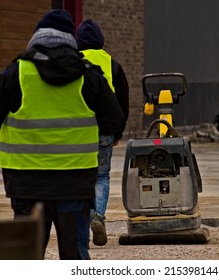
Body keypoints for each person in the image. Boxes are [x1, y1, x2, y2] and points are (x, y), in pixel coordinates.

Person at [0, 10, 125, 260]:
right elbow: (114, 120)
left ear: (36, 38)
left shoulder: (17, 73)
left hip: (26, 184)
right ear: (71, 40)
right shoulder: (87, 75)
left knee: (28, 255)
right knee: (74, 256)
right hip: (75, 183)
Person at [76, 19, 129, 246]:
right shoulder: (112, 64)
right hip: (104, 130)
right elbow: (123, 101)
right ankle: (98, 216)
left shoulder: (73, 63)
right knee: (101, 176)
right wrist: (118, 131)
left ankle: (81, 224)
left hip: (78, 131)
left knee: (79, 177)